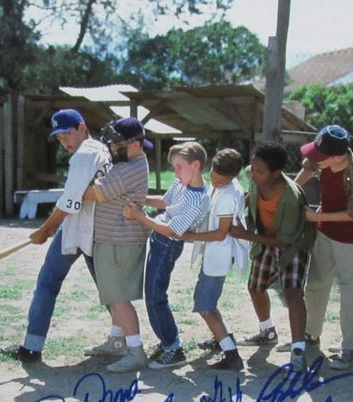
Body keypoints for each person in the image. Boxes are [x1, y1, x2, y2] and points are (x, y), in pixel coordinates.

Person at [1, 109, 111, 363]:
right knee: (109, 290)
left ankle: (31, 347)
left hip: (79, 228)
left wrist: (44, 229)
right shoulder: (102, 150)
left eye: (68, 134)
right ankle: (124, 340)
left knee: (48, 283)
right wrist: (52, 225)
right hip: (95, 228)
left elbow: (70, 200)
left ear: (82, 126)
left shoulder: (84, 154)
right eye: (60, 138)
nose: (65, 142)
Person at [123, 141, 210, 368]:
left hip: (167, 244)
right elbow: (165, 202)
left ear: (196, 165)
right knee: (152, 293)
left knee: (155, 296)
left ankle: (174, 347)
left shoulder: (198, 198)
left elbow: (173, 230)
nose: (175, 171)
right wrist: (140, 200)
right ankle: (166, 342)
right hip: (159, 240)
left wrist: (139, 216)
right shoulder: (182, 183)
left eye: (179, 166)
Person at [294, 125, 353, 371]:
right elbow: (307, 170)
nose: (314, 158)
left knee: (350, 290)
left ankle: (350, 348)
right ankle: (310, 335)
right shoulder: (323, 159)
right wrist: (291, 193)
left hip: (350, 237)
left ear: (337, 156)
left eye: (320, 155)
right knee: (316, 283)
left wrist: (316, 218)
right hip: (325, 232)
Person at [232, 141, 315, 373]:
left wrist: (245, 234)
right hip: (266, 237)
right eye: (253, 168)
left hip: (292, 243)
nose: (254, 173)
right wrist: (239, 205)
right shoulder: (256, 176)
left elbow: (285, 240)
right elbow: (251, 194)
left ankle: (298, 351)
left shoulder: (290, 196)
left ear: (276, 173)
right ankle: (267, 331)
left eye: (260, 171)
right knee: (255, 287)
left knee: (292, 291)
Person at [81, 117, 151, 373]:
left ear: (134, 144)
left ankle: (136, 352)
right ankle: (116, 341)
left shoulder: (128, 169)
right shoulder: (129, 162)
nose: (111, 147)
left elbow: (90, 193)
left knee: (118, 298)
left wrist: (77, 180)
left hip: (119, 241)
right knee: (113, 294)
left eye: (116, 143)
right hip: (115, 239)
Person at [180, 148, 249, 371]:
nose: (216, 184)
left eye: (221, 181)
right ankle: (222, 337)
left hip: (219, 253)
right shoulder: (225, 188)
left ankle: (231, 353)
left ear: (233, 177)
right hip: (214, 253)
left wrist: (190, 236)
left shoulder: (229, 194)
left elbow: (221, 233)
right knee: (207, 302)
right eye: (214, 179)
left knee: (205, 306)